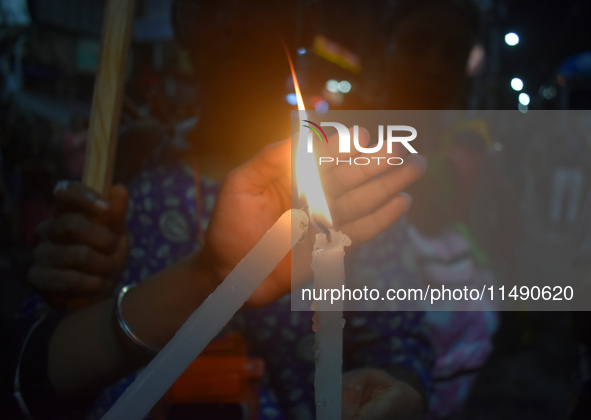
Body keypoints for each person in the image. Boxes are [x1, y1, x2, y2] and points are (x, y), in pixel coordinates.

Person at [5, 1, 430, 419]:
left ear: (304, 21)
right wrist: (74, 297)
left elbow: (400, 346)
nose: (235, 20)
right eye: (210, 4)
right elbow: (35, 367)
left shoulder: (350, 190)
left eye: (261, 4)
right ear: (180, 22)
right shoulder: (124, 165)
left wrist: (393, 386)